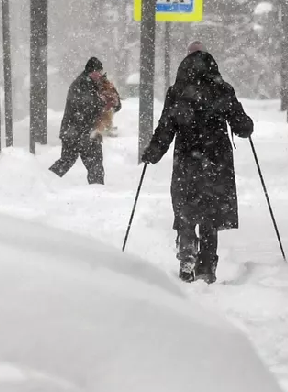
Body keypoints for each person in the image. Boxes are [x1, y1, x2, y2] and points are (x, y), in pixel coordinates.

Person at [141, 46, 254, 284]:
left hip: (187, 161)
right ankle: (206, 267)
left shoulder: (177, 92)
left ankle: (187, 255)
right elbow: (241, 125)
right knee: (210, 214)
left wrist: (153, 152)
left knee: (186, 210)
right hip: (217, 161)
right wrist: (244, 126)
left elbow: (166, 128)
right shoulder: (222, 89)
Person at [50, 57, 114, 185]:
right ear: (90, 71)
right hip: (75, 132)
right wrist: (102, 102)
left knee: (94, 164)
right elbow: (85, 105)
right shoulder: (79, 85)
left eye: (101, 72)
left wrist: (110, 99)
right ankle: (42, 182)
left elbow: (115, 103)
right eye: (98, 72)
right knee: (68, 160)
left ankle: (97, 190)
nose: (100, 75)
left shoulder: (97, 84)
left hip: (87, 131)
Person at [93, 73, 122, 138]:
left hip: (108, 106)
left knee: (106, 118)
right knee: (105, 118)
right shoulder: (107, 85)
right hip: (108, 105)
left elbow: (110, 96)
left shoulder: (106, 86)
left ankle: (106, 130)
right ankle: (105, 129)